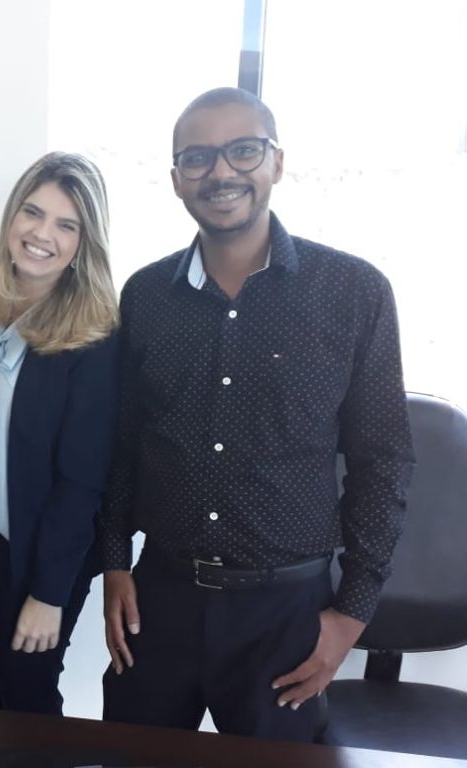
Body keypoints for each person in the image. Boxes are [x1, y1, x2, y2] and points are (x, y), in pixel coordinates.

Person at [98, 87, 414, 740]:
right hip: (159, 601)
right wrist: (114, 562)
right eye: (198, 158)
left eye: (243, 151)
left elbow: (382, 460)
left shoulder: (353, 292)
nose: (220, 172)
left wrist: (352, 614)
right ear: (176, 180)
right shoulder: (147, 294)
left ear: (277, 162)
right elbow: (124, 443)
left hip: (285, 614)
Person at [0, 152, 119, 715]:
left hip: (38, 540)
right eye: (32, 213)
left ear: (85, 242)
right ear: (12, 215)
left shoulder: (95, 332)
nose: (42, 235)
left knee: (23, 692)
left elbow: (83, 481)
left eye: (67, 225)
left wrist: (47, 594)